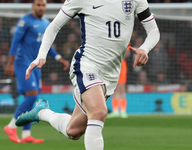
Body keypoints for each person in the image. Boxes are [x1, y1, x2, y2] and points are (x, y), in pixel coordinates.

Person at [15, 0, 160, 149]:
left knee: (73, 131)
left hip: (111, 74)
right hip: (87, 64)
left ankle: (42, 112)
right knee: (99, 111)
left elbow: (153, 31)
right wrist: (41, 55)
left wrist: (145, 48)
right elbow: (54, 26)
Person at [4, 0, 69, 143]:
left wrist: (60, 58)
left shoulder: (46, 23)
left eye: (43, 5)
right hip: (22, 63)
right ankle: (11, 126)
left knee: (32, 98)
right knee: (32, 96)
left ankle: (26, 135)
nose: (41, 7)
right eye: (38, 4)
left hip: (35, 64)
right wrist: (10, 64)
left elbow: (47, 46)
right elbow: (15, 42)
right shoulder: (25, 21)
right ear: (33, 6)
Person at [107, 43, 130, 119]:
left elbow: (127, 53)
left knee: (122, 88)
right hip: (113, 65)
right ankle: (115, 111)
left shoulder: (126, 40)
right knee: (115, 89)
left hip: (122, 65)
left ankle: (123, 111)